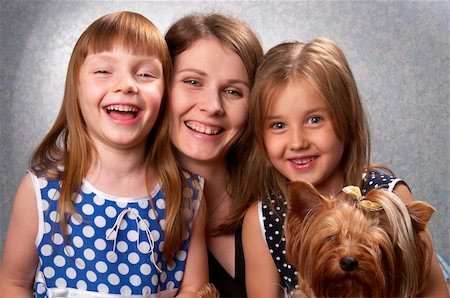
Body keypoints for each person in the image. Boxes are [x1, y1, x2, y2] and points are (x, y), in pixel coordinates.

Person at [0, 11, 208, 297]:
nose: (126, 85)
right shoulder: (43, 190)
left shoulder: (186, 194)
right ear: (77, 86)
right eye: (103, 71)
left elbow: (195, 288)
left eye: (145, 74)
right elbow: (13, 285)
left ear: (165, 93)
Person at [242, 38, 449, 297]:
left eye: (314, 119)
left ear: (347, 118)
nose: (297, 142)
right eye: (278, 125)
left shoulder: (389, 194)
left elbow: (436, 293)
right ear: (259, 135)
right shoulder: (263, 219)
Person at [163, 13, 263, 297]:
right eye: (193, 82)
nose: (212, 105)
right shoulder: (125, 209)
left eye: (233, 91)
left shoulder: (278, 202)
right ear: (161, 87)